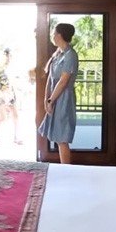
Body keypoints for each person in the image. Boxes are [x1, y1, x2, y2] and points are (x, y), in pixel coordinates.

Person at [38, 23, 78, 164]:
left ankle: (66, 169)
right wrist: (46, 99)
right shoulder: (58, 54)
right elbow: (50, 78)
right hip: (54, 97)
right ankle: (64, 167)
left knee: (62, 138)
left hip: (64, 99)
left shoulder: (70, 55)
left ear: (60, 35)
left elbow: (63, 81)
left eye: (54, 33)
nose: (52, 36)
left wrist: (51, 100)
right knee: (57, 136)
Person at [0, 48, 22, 145]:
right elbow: (0, 83)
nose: (9, 58)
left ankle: (16, 137)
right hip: (2, 94)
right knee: (3, 117)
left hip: (10, 94)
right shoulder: (0, 68)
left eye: (10, 56)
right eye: (7, 56)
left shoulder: (11, 68)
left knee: (15, 116)